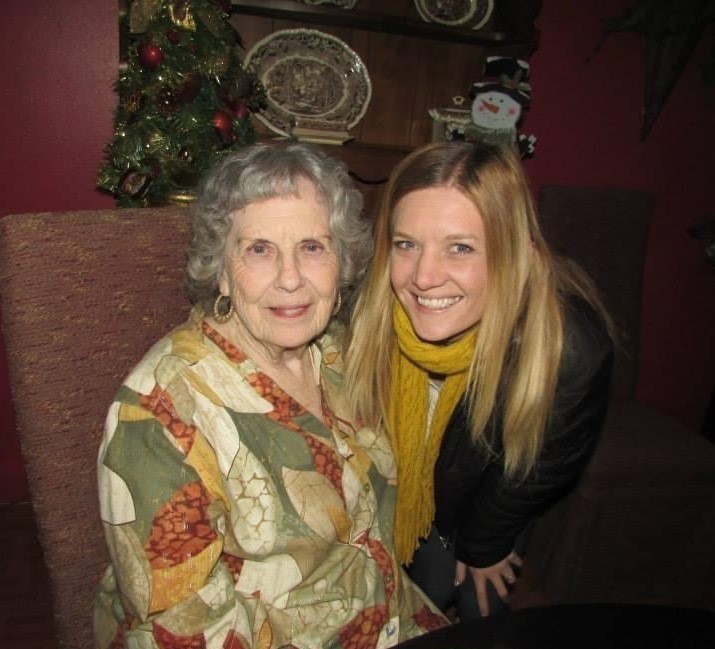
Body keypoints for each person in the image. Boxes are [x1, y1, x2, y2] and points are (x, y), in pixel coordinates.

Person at [94, 142, 446, 649]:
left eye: (312, 247)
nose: (290, 278)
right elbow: (185, 634)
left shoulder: (344, 354)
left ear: (341, 261)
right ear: (220, 269)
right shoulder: (160, 417)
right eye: (259, 249)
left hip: (395, 615)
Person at [344, 141, 614, 620]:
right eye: (406, 244)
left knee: (475, 600)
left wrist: (484, 543)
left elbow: (537, 469)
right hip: (396, 484)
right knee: (409, 597)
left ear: (516, 254)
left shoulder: (568, 349)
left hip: (481, 492)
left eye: (460, 248)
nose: (424, 277)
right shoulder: (371, 299)